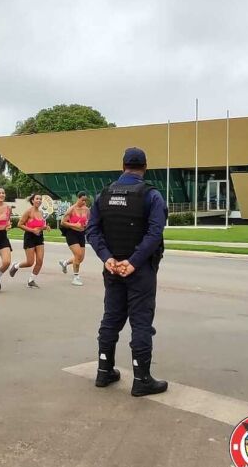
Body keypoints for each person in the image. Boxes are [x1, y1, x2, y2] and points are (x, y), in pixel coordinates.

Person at [86, 147, 168, 397]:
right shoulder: (151, 196)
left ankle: (104, 370)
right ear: (145, 167)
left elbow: (92, 230)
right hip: (139, 270)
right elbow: (155, 233)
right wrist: (133, 262)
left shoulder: (104, 194)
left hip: (112, 268)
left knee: (111, 318)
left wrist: (107, 258)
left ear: (123, 166)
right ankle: (141, 379)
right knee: (141, 322)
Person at [8, 194, 50, 287]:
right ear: (32, 201)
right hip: (29, 237)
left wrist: (45, 227)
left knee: (40, 261)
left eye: (40, 199)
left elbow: (40, 226)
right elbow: (19, 224)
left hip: (39, 238)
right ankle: (16, 266)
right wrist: (32, 230)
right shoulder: (28, 212)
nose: (39, 200)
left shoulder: (41, 212)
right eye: (37, 199)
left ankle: (31, 280)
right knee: (30, 262)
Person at [59, 191, 89, 286]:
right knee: (78, 255)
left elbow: (88, 221)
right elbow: (63, 222)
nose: (84, 202)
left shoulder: (87, 210)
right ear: (78, 198)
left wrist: (87, 224)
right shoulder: (71, 209)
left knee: (81, 258)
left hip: (81, 234)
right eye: (82, 200)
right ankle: (76, 277)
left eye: (85, 200)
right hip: (71, 234)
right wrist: (74, 224)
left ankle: (65, 263)